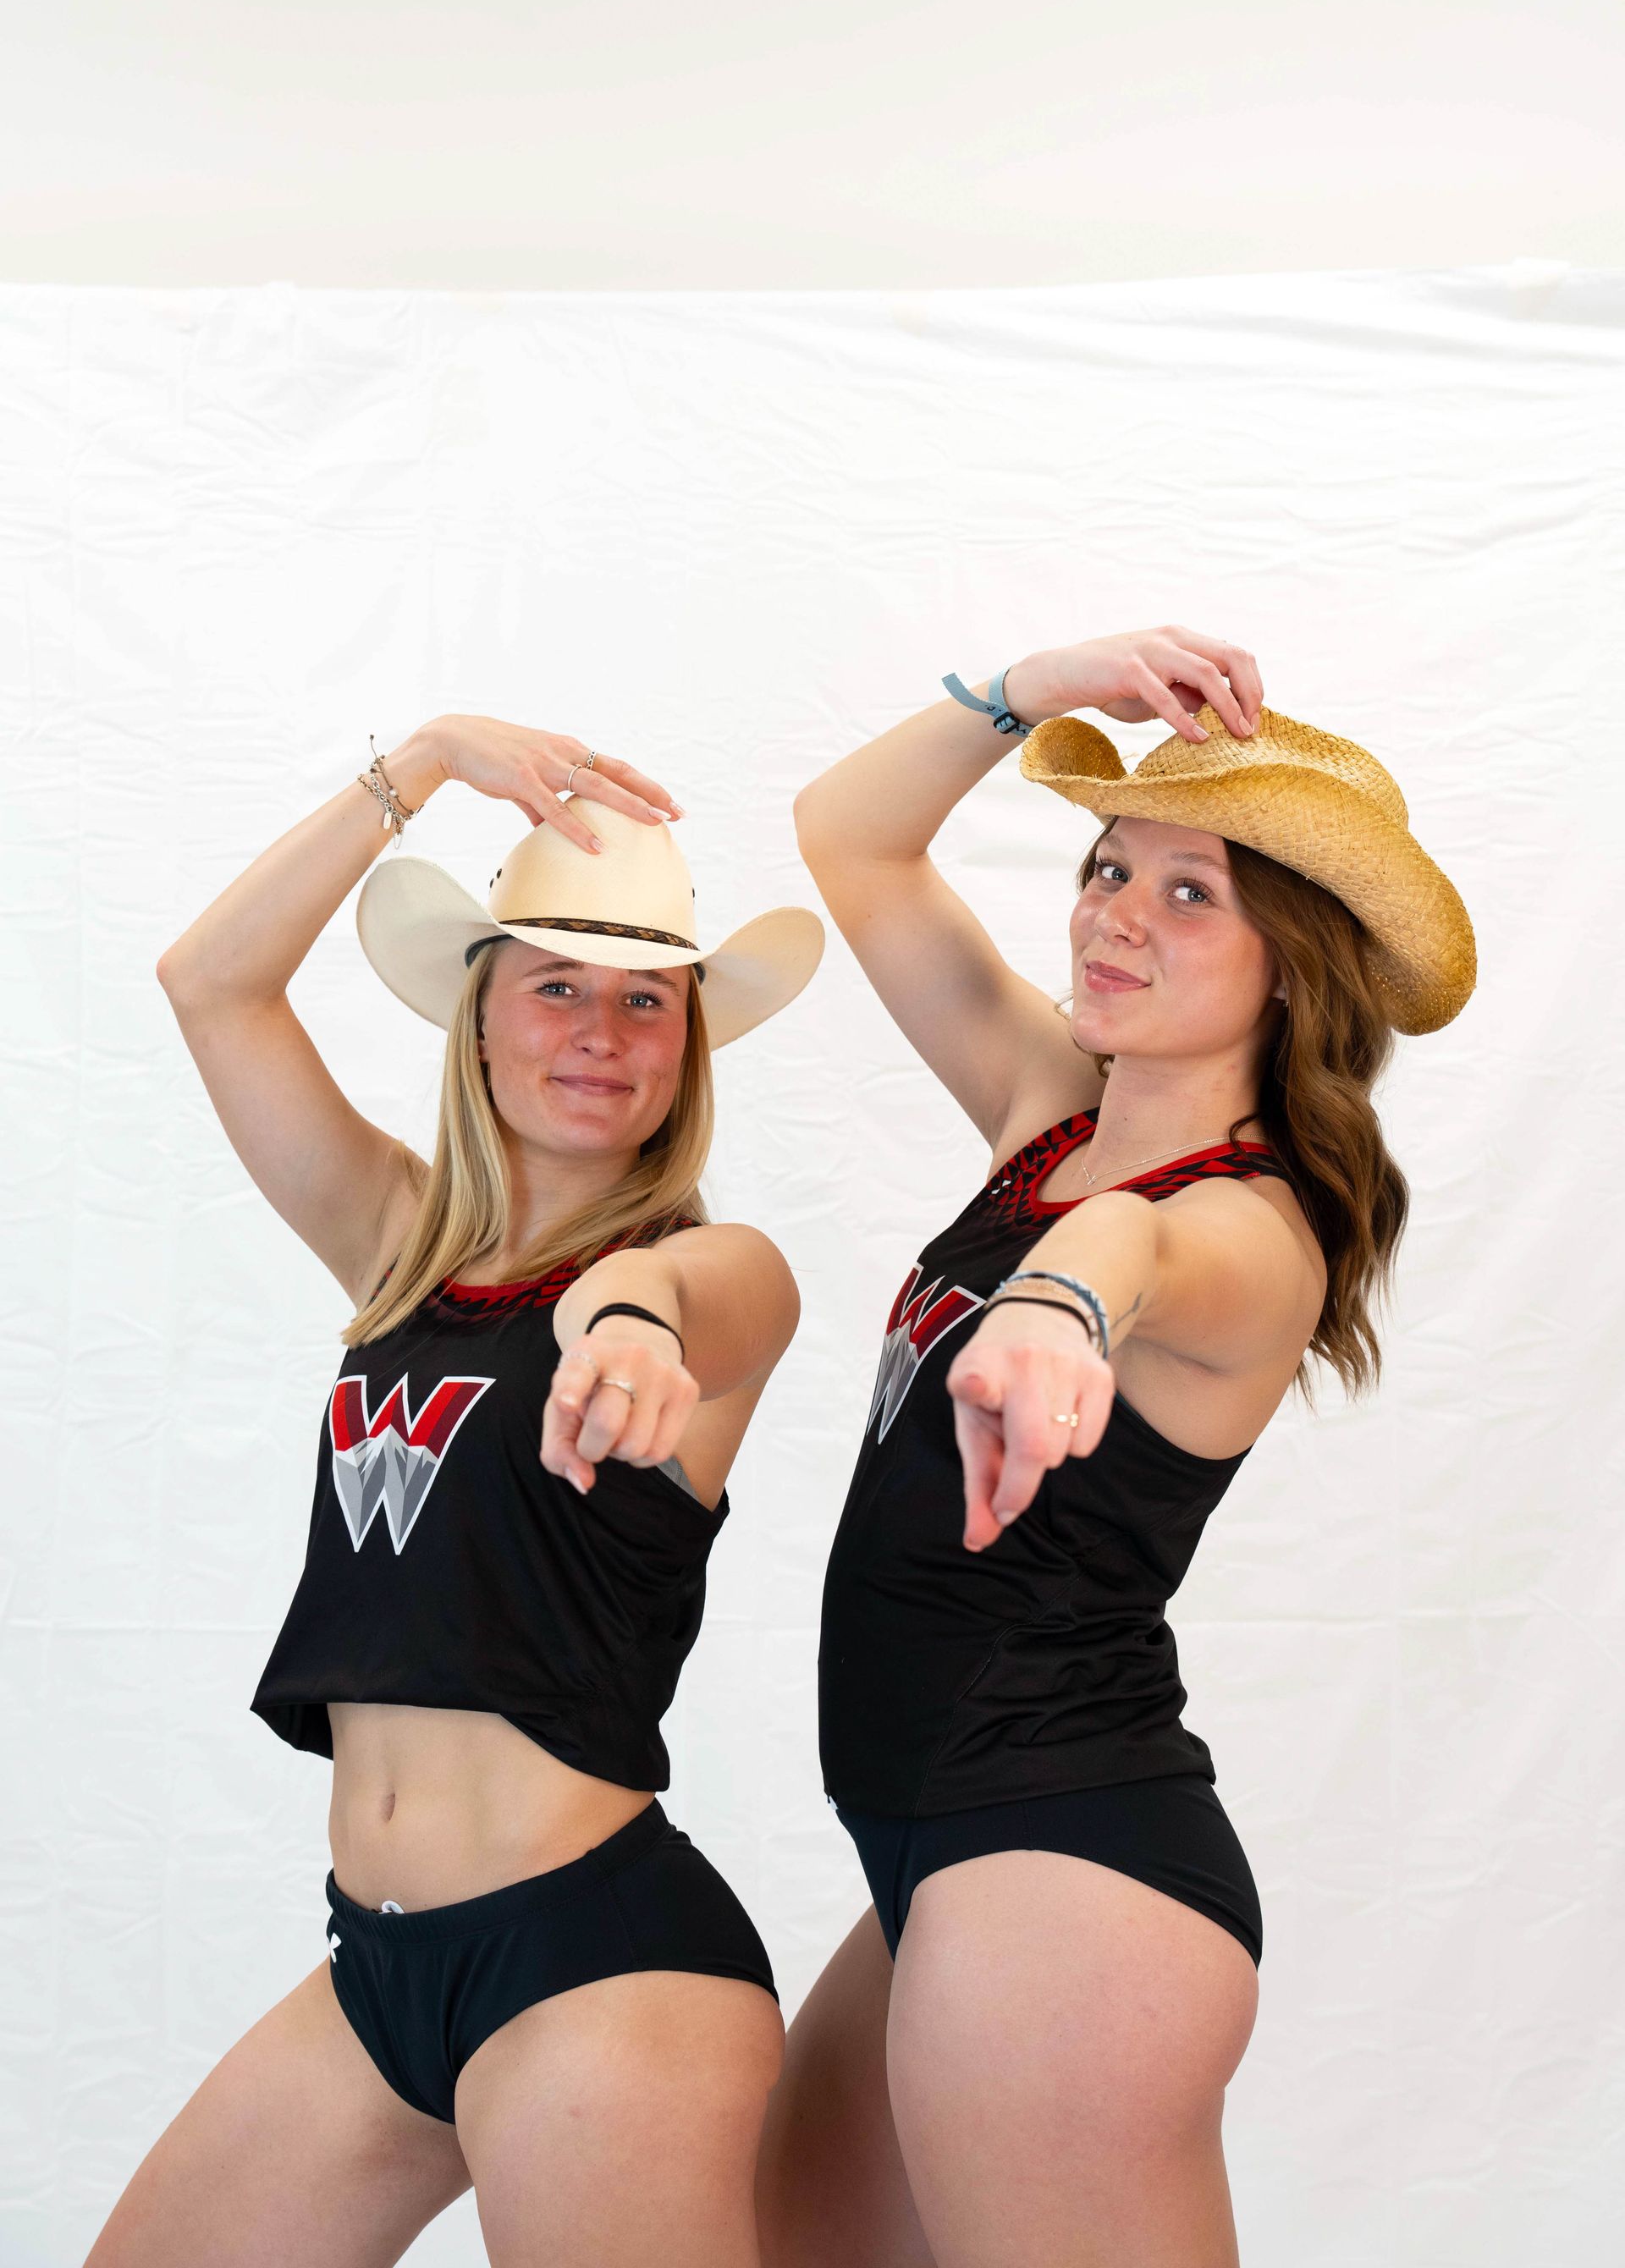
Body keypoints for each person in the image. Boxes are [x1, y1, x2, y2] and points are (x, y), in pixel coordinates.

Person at [757, 629, 1474, 2268]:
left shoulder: (1258, 1223)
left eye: (1189, 894)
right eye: (1104, 867)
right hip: (939, 1848)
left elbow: (1141, 1259)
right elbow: (847, 835)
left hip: (1065, 1866)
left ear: (1296, 962)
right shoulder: (1049, 1113)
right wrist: (1045, 681)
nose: (1111, 916)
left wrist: (1061, 1306)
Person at [91, 714, 823, 2268]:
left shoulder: (715, 1272)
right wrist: (413, 769)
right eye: (555, 983)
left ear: (685, 1050)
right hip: (376, 1974)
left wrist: (630, 1316)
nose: (601, 1031)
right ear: (476, 1017)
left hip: (598, 1969)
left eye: (647, 1003)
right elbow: (209, 982)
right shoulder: (397, 1247)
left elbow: (708, 1297)